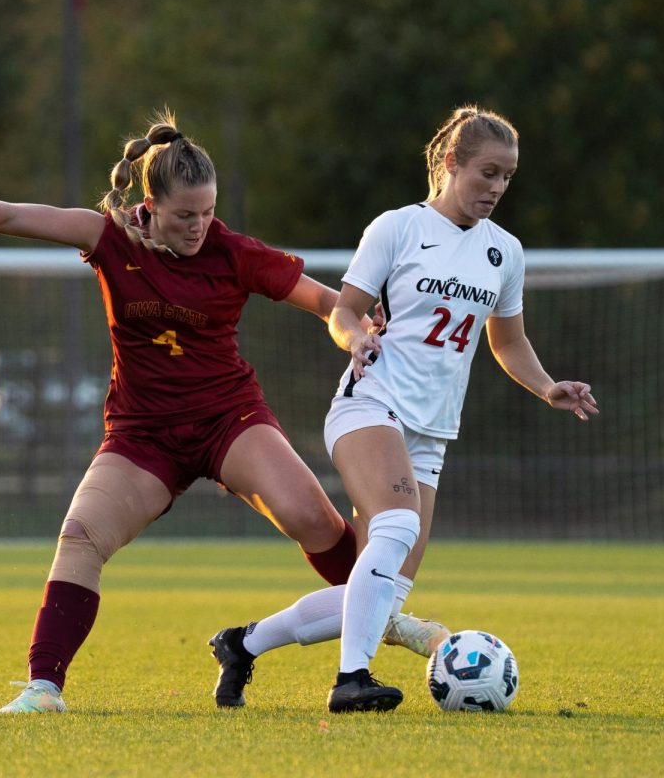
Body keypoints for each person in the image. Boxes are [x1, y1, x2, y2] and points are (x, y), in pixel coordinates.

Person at [0, 110, 430, 715]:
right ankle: (43, 688)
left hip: (228, 420)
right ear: (149, 205)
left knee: (311, 518)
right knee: (79, 538)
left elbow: (324, 302)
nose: (200, 226)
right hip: (143, 435)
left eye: (208, 212)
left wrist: (358, 331)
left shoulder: (233, 252)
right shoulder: (109, 237)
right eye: (185, 215)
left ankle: (384, 618)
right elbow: (11, 213)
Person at [208, 105, 599, 714]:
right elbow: (344, 309)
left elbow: (508, 341)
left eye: (507, 177)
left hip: (431, 431)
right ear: (450, 164)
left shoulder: (505, 253)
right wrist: (355, 337)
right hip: (370, 403)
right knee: (397, 526)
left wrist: (548, 387)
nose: (496, 188)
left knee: (380, 596)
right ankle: (351, 681)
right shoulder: (398, 228)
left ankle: (243, 644)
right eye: (487, 173)